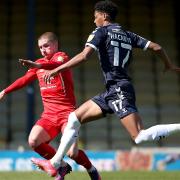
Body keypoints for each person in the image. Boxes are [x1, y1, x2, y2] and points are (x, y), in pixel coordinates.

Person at [21, 0, 180, 177]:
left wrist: (57, 69)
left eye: (95, 16)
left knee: (140, 137)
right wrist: (169, 65)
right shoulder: (128, 34)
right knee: (74, 118)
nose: (94, 20)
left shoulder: (101, 31)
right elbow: (156, 47)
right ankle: (56, 162)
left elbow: (83, 56)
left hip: (119, 89)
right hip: (112, 90)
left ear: (104, 16)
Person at [0, 32, 101, 180]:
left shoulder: (61, 57)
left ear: (55, 44)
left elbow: (57, 64)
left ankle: (91, 169)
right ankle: (61, 166)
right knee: (33, 140)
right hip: (49, 115)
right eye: (40, 47)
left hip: (68, 115)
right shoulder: (38, 64)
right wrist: (5, 91)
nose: (43, 49)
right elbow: (25, 79)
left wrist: (38, 65)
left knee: (72, 153)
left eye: (46, 45)